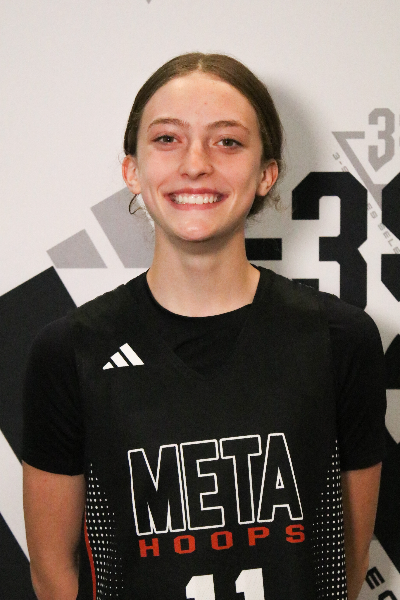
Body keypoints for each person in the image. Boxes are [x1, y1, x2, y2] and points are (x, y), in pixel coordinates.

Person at [22, 53, 386, 600]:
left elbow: (345, 560)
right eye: (167, 139)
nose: (195, 164)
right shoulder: (70, 352)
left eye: (228, 141)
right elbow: (53, 571)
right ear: (132, 169)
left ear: (266, 174)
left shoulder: (341, 340)